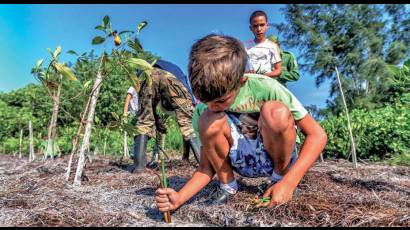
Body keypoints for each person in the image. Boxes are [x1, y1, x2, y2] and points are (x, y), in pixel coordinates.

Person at [155, 34, 327, 212]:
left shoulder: (266, 87)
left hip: (276, 157)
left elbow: (318, 135)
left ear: (242, 80)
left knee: (276, 112)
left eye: (221, 101)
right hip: (242, 162)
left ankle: (279, 178)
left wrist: (289, 182)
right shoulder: (205, 110)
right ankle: (228, 185)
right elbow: (206, 168)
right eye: (206, 101)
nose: (213, 106)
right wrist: (179, 198)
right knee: (207, 117)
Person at [128, 59, 201, 173]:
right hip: (172, 78)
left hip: (146, 74)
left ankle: (139, 167)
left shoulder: (158, 69)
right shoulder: (181, 77)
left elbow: (149, 109)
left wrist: (156, 121)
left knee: (143, 121)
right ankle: (204, 164)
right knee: (188, 124)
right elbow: (187, 122)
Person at [244, 10, 282, 80]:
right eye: (255, 26)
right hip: (248, 84)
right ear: (251, 28)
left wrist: (265, 75)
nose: (259, 29)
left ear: (267, 26)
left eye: (262, 25)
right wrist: (246, 73)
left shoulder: (272, 46)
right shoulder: (244, 46)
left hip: (266, 84)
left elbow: (278, 70)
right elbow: (238, 69)